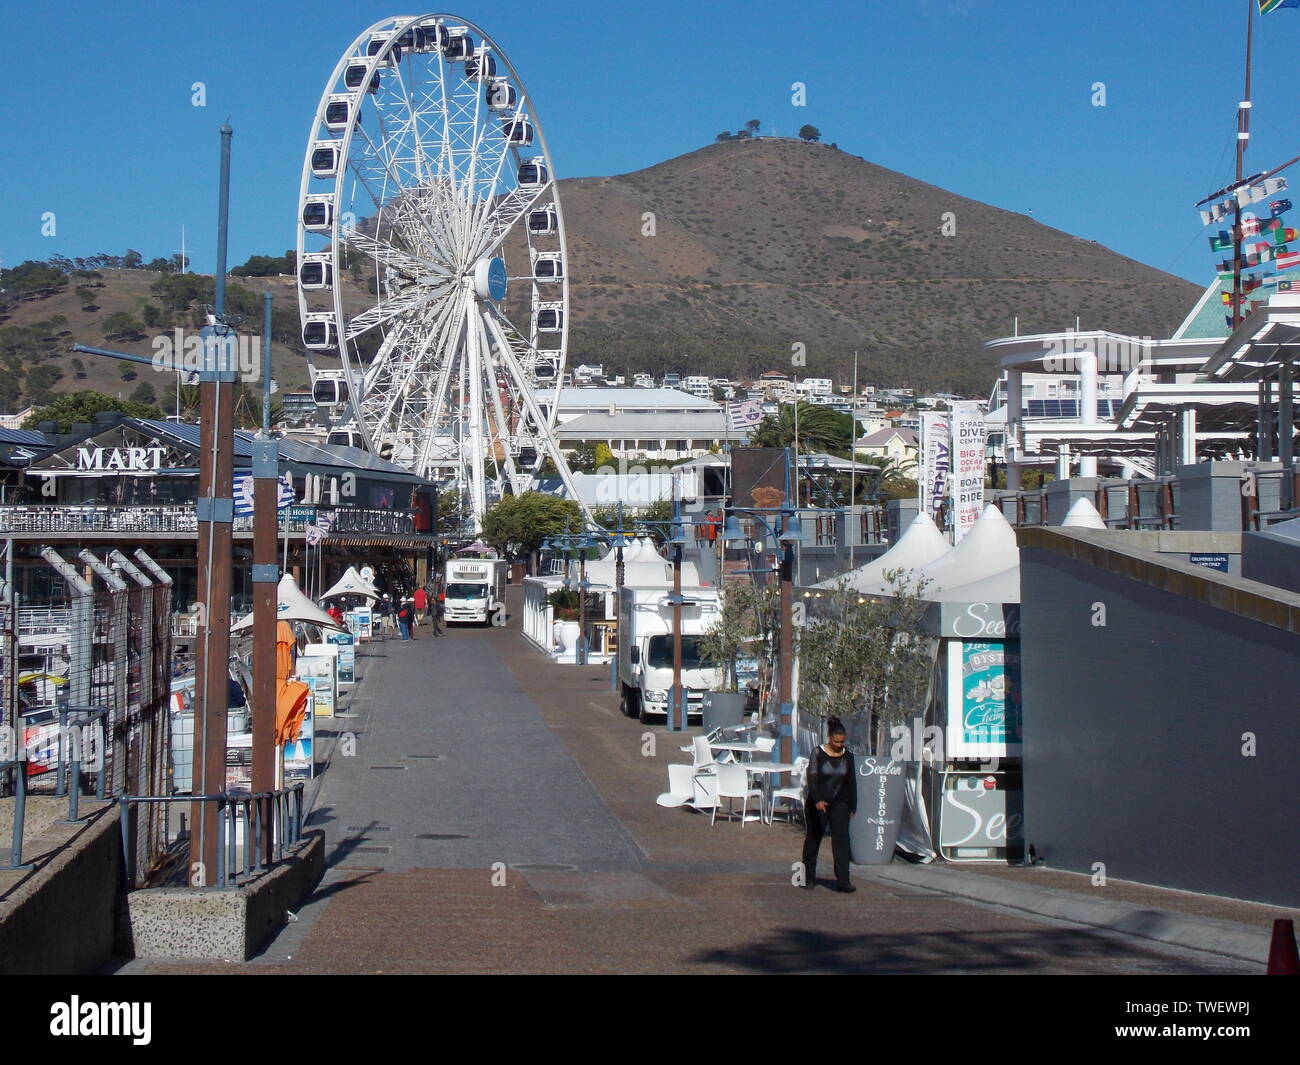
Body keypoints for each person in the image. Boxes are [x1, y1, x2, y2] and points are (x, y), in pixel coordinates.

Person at [800, 716, 857, 893]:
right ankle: (808, 878)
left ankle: (843, 880)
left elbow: (851, 781)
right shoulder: (817, 753)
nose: (839, 745)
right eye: (836, 742)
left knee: (842, 842)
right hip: (818, 802)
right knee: (814, 838)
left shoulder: (848, 755)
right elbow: (813, 777)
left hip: (840, 801)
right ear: (829, 737)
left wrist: (853, 805)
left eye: (842, 742)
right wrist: (817, 799)